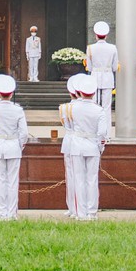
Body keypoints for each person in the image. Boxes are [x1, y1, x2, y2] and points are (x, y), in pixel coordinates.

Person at [0, 74, 29, 220]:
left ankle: (0, 212)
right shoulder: (18, 110)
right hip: (13, 145)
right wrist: (18, 145)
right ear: (12, 93)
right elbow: (24, 133)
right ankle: (11, 212)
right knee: (12, 181)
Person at [68, 74, 108, 221]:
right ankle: (92, 212)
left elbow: (70, 128)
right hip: (92, 145)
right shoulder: (99, 110)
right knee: (92, 179)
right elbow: (102, 133)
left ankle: (81, 213)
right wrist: (99, 146)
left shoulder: (72, 108)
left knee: (79, 179)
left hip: (77, 145)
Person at [86, 21, 119, 137]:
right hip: (108, 78)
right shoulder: (113, 48)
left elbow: (89, 67)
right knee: (106, 108)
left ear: (96, 35)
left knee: (94, 105)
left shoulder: (90, 48)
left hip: (94, 77)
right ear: (106, 35)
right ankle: (107, 134)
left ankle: (94, 133)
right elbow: (115, 67)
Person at [58, 74, 81, 218]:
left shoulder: (66, 108)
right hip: (89, 144)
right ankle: (87, 209)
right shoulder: (97, 109)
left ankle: (74, 208)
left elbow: (66, 125)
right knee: (89, 179)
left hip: (71, 141)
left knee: (72, 176)